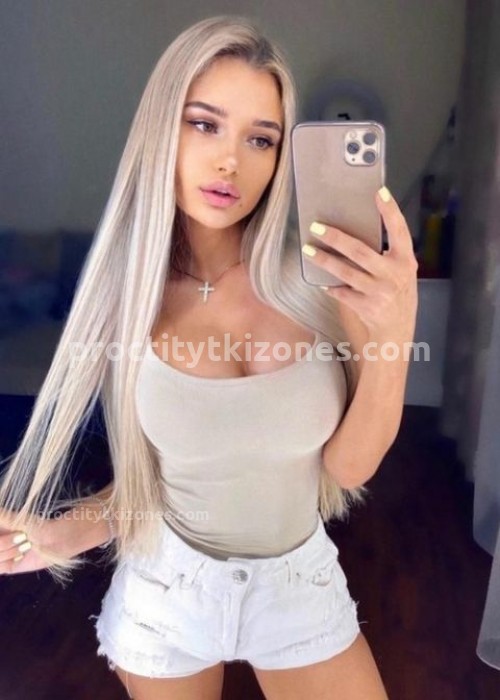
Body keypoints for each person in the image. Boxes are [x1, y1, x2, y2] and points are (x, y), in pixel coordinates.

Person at [0, 14, 418, 700]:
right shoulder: (128, 298)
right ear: (162, 128)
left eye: (261, 139)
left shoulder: (322, 281)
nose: (231, 162)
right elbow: (153, 486)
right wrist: (60, 535)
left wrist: (395, 331)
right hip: (167, 595)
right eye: (204, 124)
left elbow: (348, 467)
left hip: (298, 588)